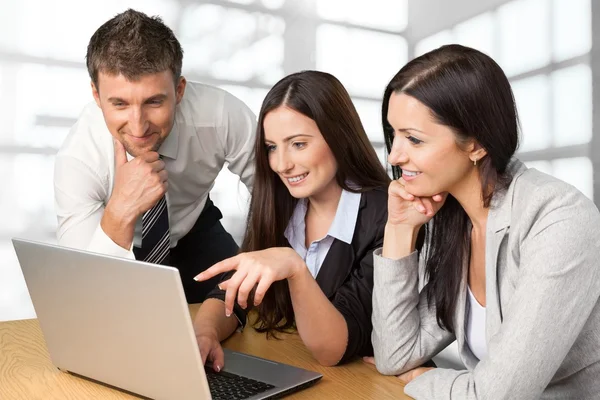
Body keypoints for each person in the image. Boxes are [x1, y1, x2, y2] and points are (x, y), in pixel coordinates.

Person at [369, 44, 600, 399]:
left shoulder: (558, 218)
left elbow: (499, 395)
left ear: (476, 145)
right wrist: (400, 229)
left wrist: (424, 381)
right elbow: (394, 355)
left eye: (413, 138)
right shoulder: (457, 221)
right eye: (394, 134)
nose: (395, 155)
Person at [53, 9, 256, 303]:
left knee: (249, 311)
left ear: (179, 90)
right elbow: (80, 289)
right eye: (119, 104)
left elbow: (275, 192)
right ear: (96, 97)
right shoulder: (79, 159)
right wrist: (121, 208)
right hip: (120, 249)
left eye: (154, 102)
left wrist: (262, 252)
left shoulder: (222, 117)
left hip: (196, 230)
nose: (138, 126)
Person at [192, 70, 390, 371]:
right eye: (272, 147)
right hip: (304, 371)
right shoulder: (282, 204)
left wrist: (294, 267)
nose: (281, 164)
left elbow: (334, 349)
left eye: (298, 144)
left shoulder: (385, 214)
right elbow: (233, 291)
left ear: (339, 136)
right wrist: (205, 332)